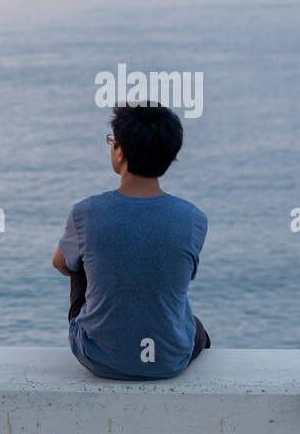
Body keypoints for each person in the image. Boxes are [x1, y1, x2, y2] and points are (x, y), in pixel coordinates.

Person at [52, 102, 210, 380]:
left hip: (99, 356)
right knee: (191, 321)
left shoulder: (85, 212)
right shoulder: (194, 218)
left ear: (120, 152)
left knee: (79, 259)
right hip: (169, 360)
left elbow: (61, 265)